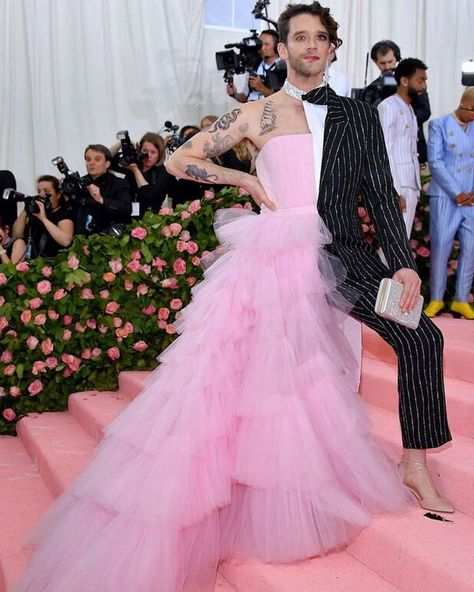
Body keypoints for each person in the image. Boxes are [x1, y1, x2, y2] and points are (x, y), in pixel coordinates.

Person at [12, 4, 452, 592]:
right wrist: (242, 179)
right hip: (277, 256)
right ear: (284, 46)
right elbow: (179, 159)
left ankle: (415, 463)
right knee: (265, 385)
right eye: (300, 36)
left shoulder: (357, 115)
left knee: (423, 334)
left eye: (321, 37)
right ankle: (253, 493)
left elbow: (377, 188)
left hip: (346, 257)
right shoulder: (257, 112)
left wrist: (402, 263)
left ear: (332, 47)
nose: (311, 46)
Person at [424, 87, 474, 320]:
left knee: (470, 250)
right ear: (463, 104)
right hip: (445, 197)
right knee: (441, 248)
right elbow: (435, 162)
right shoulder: (439, 125)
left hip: (471, 200)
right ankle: (436, 299)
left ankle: (461, 300)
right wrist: (456, 193)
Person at [377, 58, 428, 239]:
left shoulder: (409, 109)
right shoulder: (389, 106)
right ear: (405, 81)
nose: (424, 85)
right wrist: (394, 191)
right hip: (399, 185)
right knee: (393, 243)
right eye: (420, 80)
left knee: (402, 240)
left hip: (410, 183)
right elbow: (385, 150)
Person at [361, 40, 431, 164]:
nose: (387, 67)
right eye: (382, 63)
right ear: (375, 62)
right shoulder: (371, 89)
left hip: (414, 148)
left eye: (390, 62)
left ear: (397, 59)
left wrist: (402, 122)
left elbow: (425, 111)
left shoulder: (413, 83)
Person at [111, 132, 177, 217]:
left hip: (149, 218)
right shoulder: (133, 164)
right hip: (127, 215)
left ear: (159, 155)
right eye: (145, 151)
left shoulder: (164, 172)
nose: (148, 155)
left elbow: (147, 194)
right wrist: (123, 142)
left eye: (153, 152)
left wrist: (135, 170)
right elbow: (105, 160)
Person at [9, 175, 74, 262]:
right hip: (31, 263)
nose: (42, 195)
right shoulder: (35, 213)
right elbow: (16, 235)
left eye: (46, 192)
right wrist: (26, 210)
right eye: (39, 191)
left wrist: (44, 219)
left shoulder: (63, 214)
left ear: (58, 195)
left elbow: (66, 240)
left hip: (51, 264)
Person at [78, 144, 132, 234]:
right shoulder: (80, 183)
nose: (91, 163)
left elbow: (126, 208)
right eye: (88, 159)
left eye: (97, 159)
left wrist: (101, 199)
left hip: (109, 238)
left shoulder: (119, 183)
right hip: (82, 238)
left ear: (107, 164)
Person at [227, 29, 282, 103]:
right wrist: (235, 94)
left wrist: (261, 88)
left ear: (276, 46)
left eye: (266, 44)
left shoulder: (284, 67)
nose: (262, 48)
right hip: (252, 110)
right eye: (260, 44)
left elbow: (283, 100)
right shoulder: (253, 66)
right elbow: (245, 97)